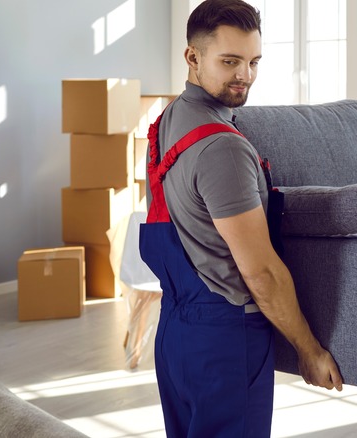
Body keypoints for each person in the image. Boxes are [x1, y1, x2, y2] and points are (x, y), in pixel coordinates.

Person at [139, 1, 343, 436]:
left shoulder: (163, 125)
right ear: (193, 57)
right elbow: (262, 273)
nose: (245, 75)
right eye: (230, 61)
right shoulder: (224, 149)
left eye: (254, 61)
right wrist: (308, 349)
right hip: (226, 339)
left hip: (175, 335)